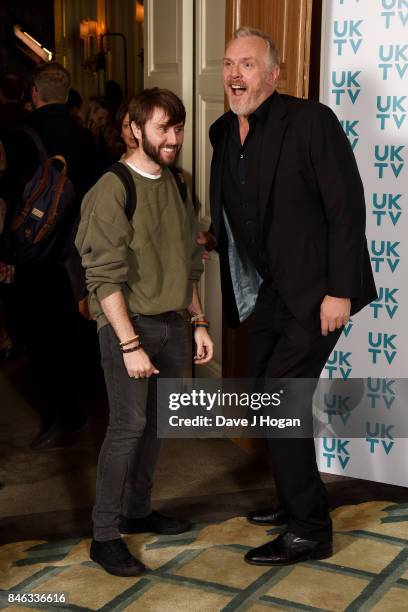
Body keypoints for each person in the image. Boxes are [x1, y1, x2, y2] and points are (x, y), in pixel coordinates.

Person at [205, 27, 377, 566]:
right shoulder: (219, 132)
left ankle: (310, 530)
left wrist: (339, 293)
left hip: (316, 294)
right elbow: (242, 211)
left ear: (274, 75)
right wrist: (212, 238)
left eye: (248, 64)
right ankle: (291, 500)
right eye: (230, 64)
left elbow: (346, 210)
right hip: (266, 295)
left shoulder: (310, 121)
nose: (235, 74)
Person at [76, 87, 213, 577]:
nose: (173, 138)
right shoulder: (112, 189)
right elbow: (103, 278)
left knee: (158, 424)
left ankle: (139, 509)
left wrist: (197, 321)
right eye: (162, 128)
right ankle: (105, 535)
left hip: (174, 324)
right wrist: (129, 343)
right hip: (126, 328)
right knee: (127, 428)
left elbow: (188, 262)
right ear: (133, 129)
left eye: (177, 128)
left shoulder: (180, 183)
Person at [0, 62, 97, 449]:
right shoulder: (85, 137)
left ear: (35, 95)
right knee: (73, 328)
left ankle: (61, 414)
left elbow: (14, 193)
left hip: (35, 252)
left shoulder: (21, 134)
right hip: (76, 250)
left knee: (37, 334)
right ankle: (77, 407)